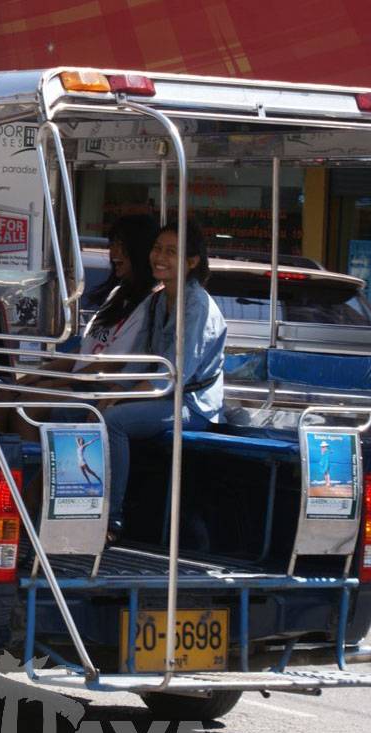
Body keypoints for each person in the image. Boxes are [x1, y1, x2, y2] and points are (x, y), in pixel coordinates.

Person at [102, 218, 226, 535]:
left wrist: (122, 397)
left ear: (192, 261)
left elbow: (173, 375)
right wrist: (114, 388)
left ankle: (110, 518)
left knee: (113, 421)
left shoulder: (198, 306)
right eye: (158, 249)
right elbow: (141, 360)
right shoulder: (158, 299)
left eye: (171, 252)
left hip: (192, 405)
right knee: (83, 412)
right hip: (163, 397)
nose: (160, 257)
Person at [0, 214, 159, 438]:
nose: (114, 253)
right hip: (79, 382)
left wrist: (51, 383)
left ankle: (38, 471)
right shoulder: (118, 294)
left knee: (27, 408)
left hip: (103, 388)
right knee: (2, 397)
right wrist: (36, 376)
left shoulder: (150, 305)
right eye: (112, 245)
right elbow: (82, 352)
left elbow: (108, 367)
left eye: (122, 246)